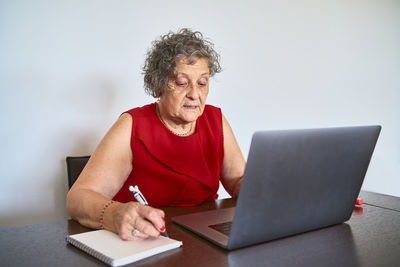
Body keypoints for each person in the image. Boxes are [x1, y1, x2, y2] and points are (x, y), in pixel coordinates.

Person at [66, 28, 246, 241]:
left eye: (202, 83)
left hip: (203, 240)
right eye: (181, 83)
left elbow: (238, 180)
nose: (194, 94)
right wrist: (115, 214)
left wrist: (261, 191)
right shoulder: (133, 125)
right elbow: (77, 198)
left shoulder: (215, 120)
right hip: (147, 239)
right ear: (159, 83)